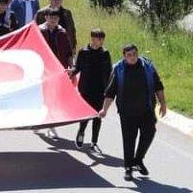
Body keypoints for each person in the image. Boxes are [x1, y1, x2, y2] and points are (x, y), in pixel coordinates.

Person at [99, 44, 167, 181]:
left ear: (137, 53)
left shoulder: (147, 66)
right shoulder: (119, 69)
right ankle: (128, 168)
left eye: (134, 54)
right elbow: (111, 92)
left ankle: (138, 159)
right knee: (129, 139)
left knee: (149, 133)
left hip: (146, 109)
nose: (132, 57)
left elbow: (158, 85)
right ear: (124, 56)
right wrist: (104, 109)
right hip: (127, 112)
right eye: (129, 55)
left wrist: (163, 103)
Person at [71, 28, 112, 152]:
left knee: (97, 116)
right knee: (85, 114)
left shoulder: (105, 53)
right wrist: (71, 72)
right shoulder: (83, 52)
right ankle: (81, 131)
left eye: (101, 39)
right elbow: (77, 68)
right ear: (92, 39)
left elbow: (109, 72)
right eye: (97, 39)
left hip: (100, 89)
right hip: (86, 88)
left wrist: (110, 88)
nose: (100, 42)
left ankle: (94, 142)